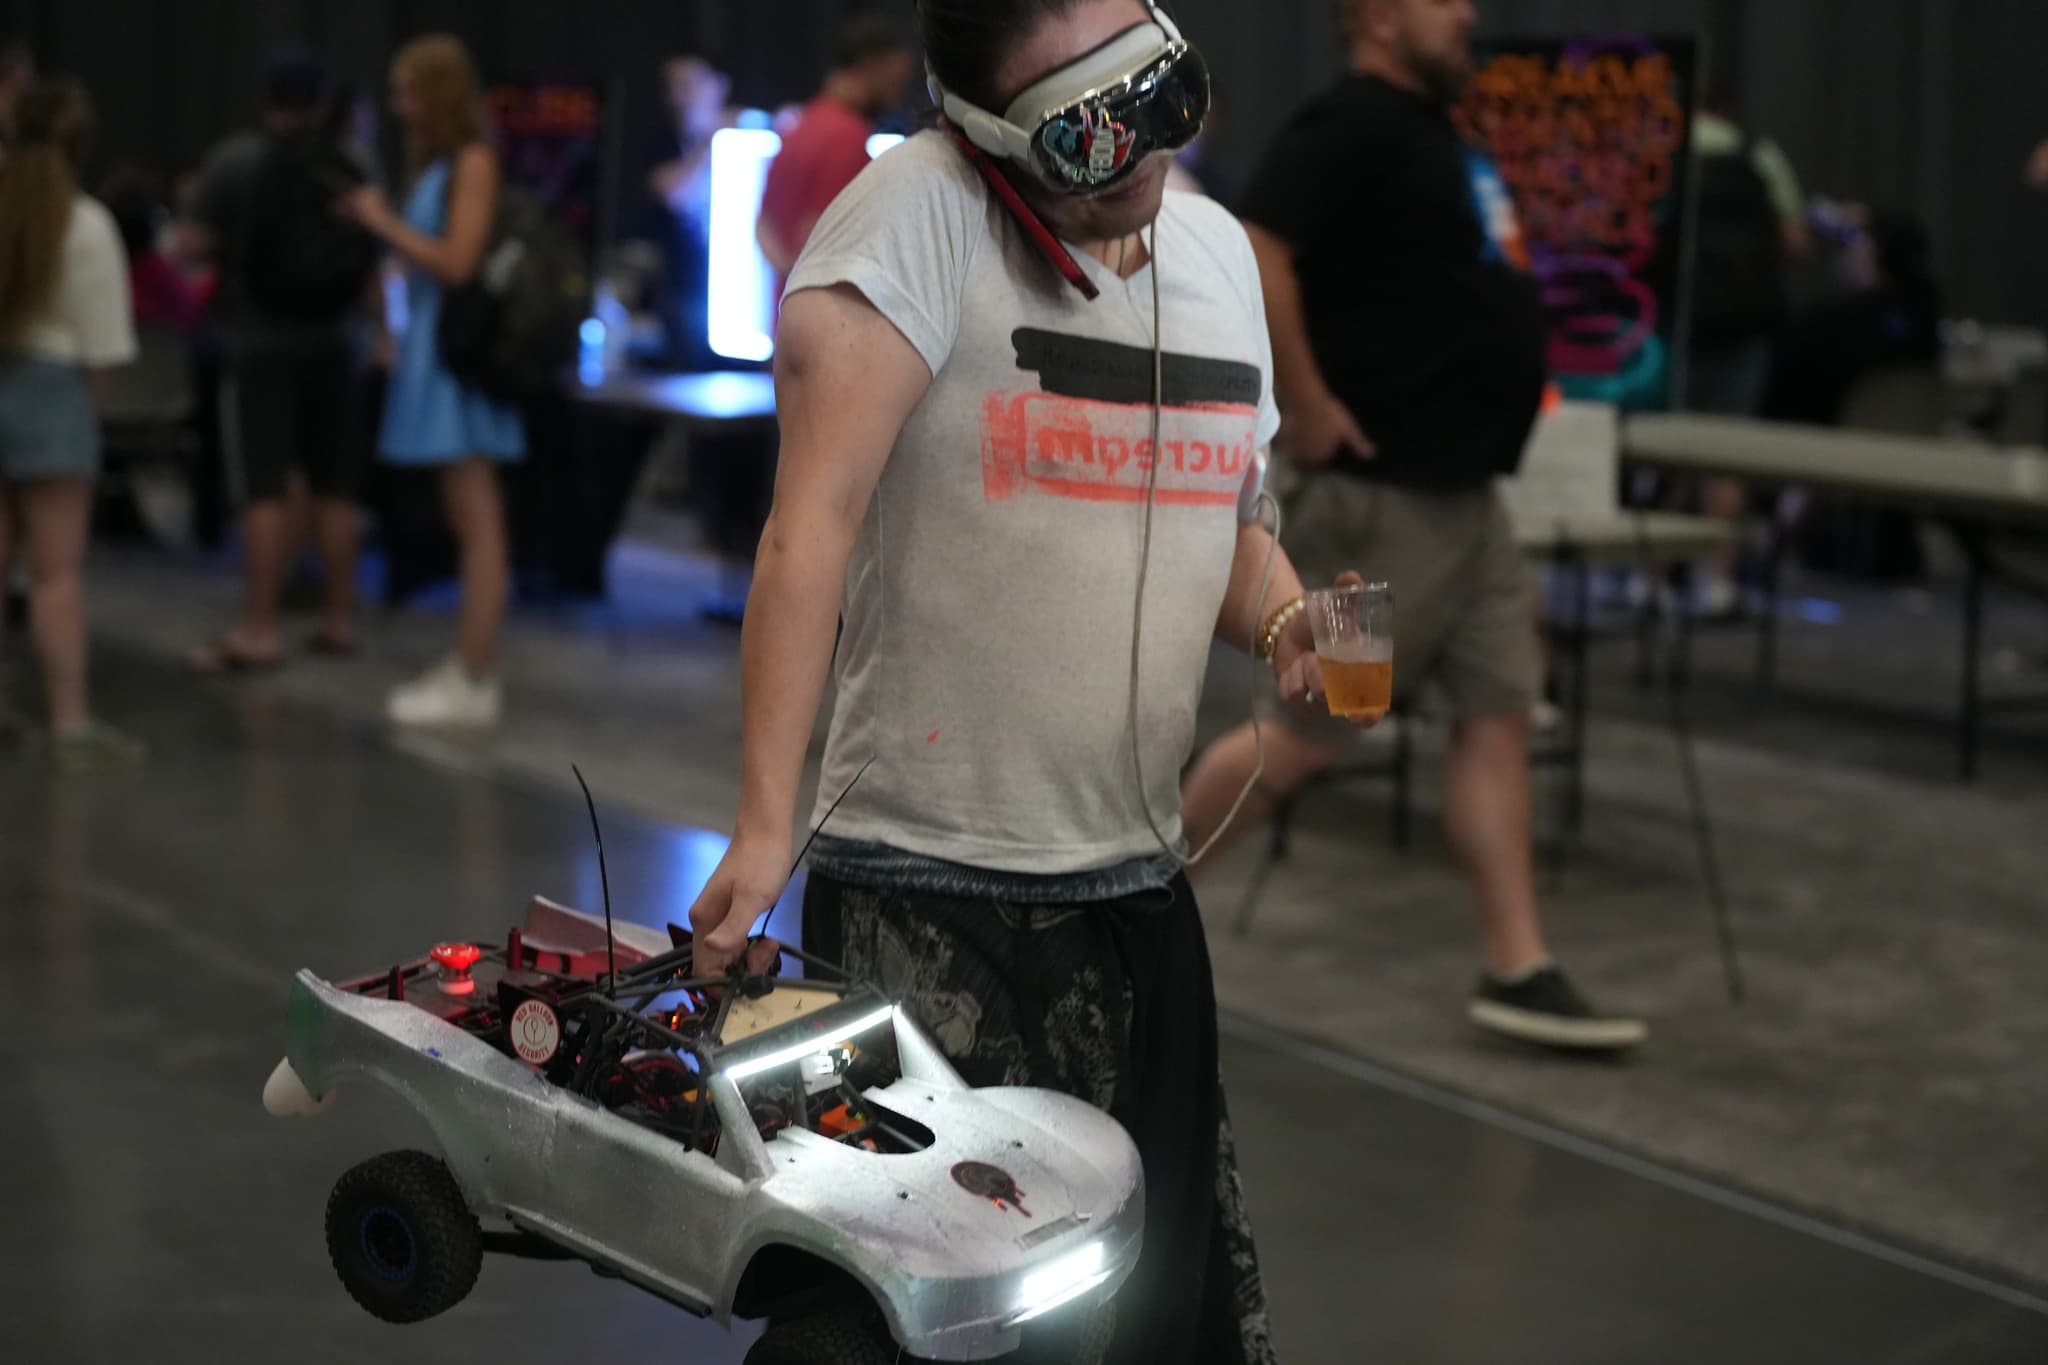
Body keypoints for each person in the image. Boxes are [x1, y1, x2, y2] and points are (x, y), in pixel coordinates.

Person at [686, 2, 1359, 1358]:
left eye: (1161, 99)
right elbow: (805, 531)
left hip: (1136, 890)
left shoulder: (1220, 256)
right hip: (925, 888)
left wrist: (1290, 615)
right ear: (986, 131)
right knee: (901, 1317)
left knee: (1139, 1314)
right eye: (1093, 133)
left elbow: (1222, 526)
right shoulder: (907, 224)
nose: (1143, 157)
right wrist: (764, 822)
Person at [1180, 0, 1646, 1053]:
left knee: (1496, 715)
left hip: (1465, 501)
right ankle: (1136, 910)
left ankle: (1515, 966)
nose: (1467, 14)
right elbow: (1258, 247)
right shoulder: (1347, 125)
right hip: (1380, 502)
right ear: (1377, 19)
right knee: (1310, 734)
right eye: (1440, 1)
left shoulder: (1436, 131)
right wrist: (1301, 398)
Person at [341, 34, 523, 729]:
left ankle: (475, 675)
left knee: (478, 519)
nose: (396, 105)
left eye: (406, 89)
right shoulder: (440, 165)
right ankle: (469, 666)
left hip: (454, 360)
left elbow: (456, 262)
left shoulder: (471, 163)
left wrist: (382, 222)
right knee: (468, 516)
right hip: (430, 351)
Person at [184, 47, 375, 673]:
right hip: (335, 342)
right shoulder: (352, 166)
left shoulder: (235, 161)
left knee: (264, 483)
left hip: (260, 340)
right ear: (323, 102)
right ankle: (338, 619)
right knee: (336, 485)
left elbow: (191, 246)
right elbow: (374, 263)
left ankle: (260, 626)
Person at [0, 79, 143, 771]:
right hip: (55, 397)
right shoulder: (87, 225)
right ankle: (70, 724)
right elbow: (103, 350)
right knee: (55, 577)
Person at [1683, 77, 1812, 611]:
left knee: (1663, 453)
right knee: (1725, 454)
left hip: (1678, 325)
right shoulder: (1759, 155)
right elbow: (1795, 241)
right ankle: (1717, 582)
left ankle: (1648, 577)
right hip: (1744, 327)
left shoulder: (1664, 149)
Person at [753, 14, 916, 280]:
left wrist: (790, 277)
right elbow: (825, 240)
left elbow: (762, 228)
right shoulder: (847, 138)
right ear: (870, 68)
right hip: (826, 314)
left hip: (789, 313)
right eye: (895, 82)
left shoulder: (800, 127)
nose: (897, 97)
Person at [646, 54, 735, 369]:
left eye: (688, 85)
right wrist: (711, 142)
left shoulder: (748, 138)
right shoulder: (665, 144)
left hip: (739, 302)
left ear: (719, 86)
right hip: (683, 301)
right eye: (671, 87)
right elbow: (673, 193)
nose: (677, 98)